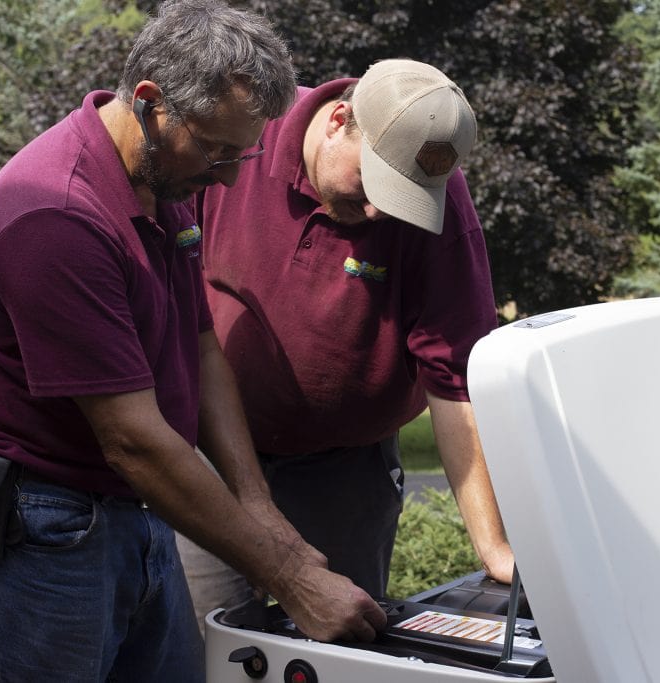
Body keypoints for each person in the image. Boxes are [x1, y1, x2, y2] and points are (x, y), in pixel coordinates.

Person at [0, 2, 386, 680]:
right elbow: (132, 437)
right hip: (43, 528)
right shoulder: (54, 213)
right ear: (150, 101)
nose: (230, 175)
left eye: (244, 152)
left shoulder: (159, 183)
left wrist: (257, 502)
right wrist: (290, 574)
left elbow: (202, 346)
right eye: (215, 147)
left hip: (135, 514)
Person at [179, 58, 515, 628]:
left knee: (341, 647)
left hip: (345, 474)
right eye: (372, 183)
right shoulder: (241, 135)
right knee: (201, 643)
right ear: (338, 121)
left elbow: (454, 379)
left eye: (407, 195)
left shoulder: (438, 205)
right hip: (215, 458)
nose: (383, 211)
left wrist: (494, 549)